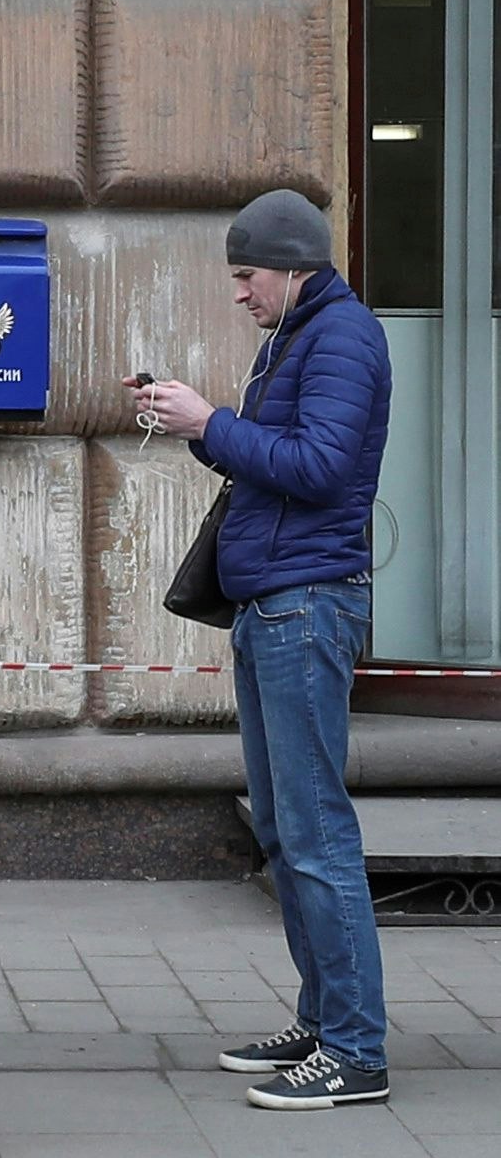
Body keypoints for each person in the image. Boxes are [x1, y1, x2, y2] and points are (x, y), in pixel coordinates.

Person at [131, 190, 392, 1112]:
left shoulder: (343, 337)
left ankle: (356, 1048)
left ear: (291, 265)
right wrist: (199, 430)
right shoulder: (297, 336)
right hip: (273, 603)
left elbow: (319, 469)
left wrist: (213, 423)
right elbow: (276, 462)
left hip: (307, 605)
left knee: (316, 831)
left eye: (247, 275)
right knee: (285, 830)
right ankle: (324, 1020)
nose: (240, 293)